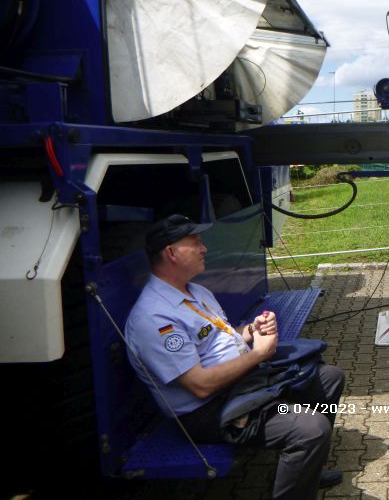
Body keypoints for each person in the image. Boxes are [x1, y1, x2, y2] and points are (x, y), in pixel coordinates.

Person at [125, 214, 345, 499]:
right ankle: (302, 467)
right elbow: (200, 385)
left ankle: (307, 471)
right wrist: (258, 355)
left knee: (328, 378)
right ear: (171, 253)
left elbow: (221, 337)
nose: (204, 248)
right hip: (208, 410)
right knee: (311, 429)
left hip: (239, 383)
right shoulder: (153, 317)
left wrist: (252, 330)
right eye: (195, 243)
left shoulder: (195, 291)